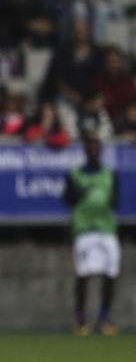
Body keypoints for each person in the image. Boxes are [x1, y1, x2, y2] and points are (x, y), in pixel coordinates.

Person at [65, 134, 120, 336]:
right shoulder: (75, 174)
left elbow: (115, 200)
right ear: (85, 151)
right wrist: (85, 195)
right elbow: (68, 198)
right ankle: (81, 319)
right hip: (84, 228)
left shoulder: (109, 173)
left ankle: (104, 318)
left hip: (106, 228)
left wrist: (104, 199)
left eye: (97, 147)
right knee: (83, 273)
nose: (94, 151)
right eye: (91, 148)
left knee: (110, 273)